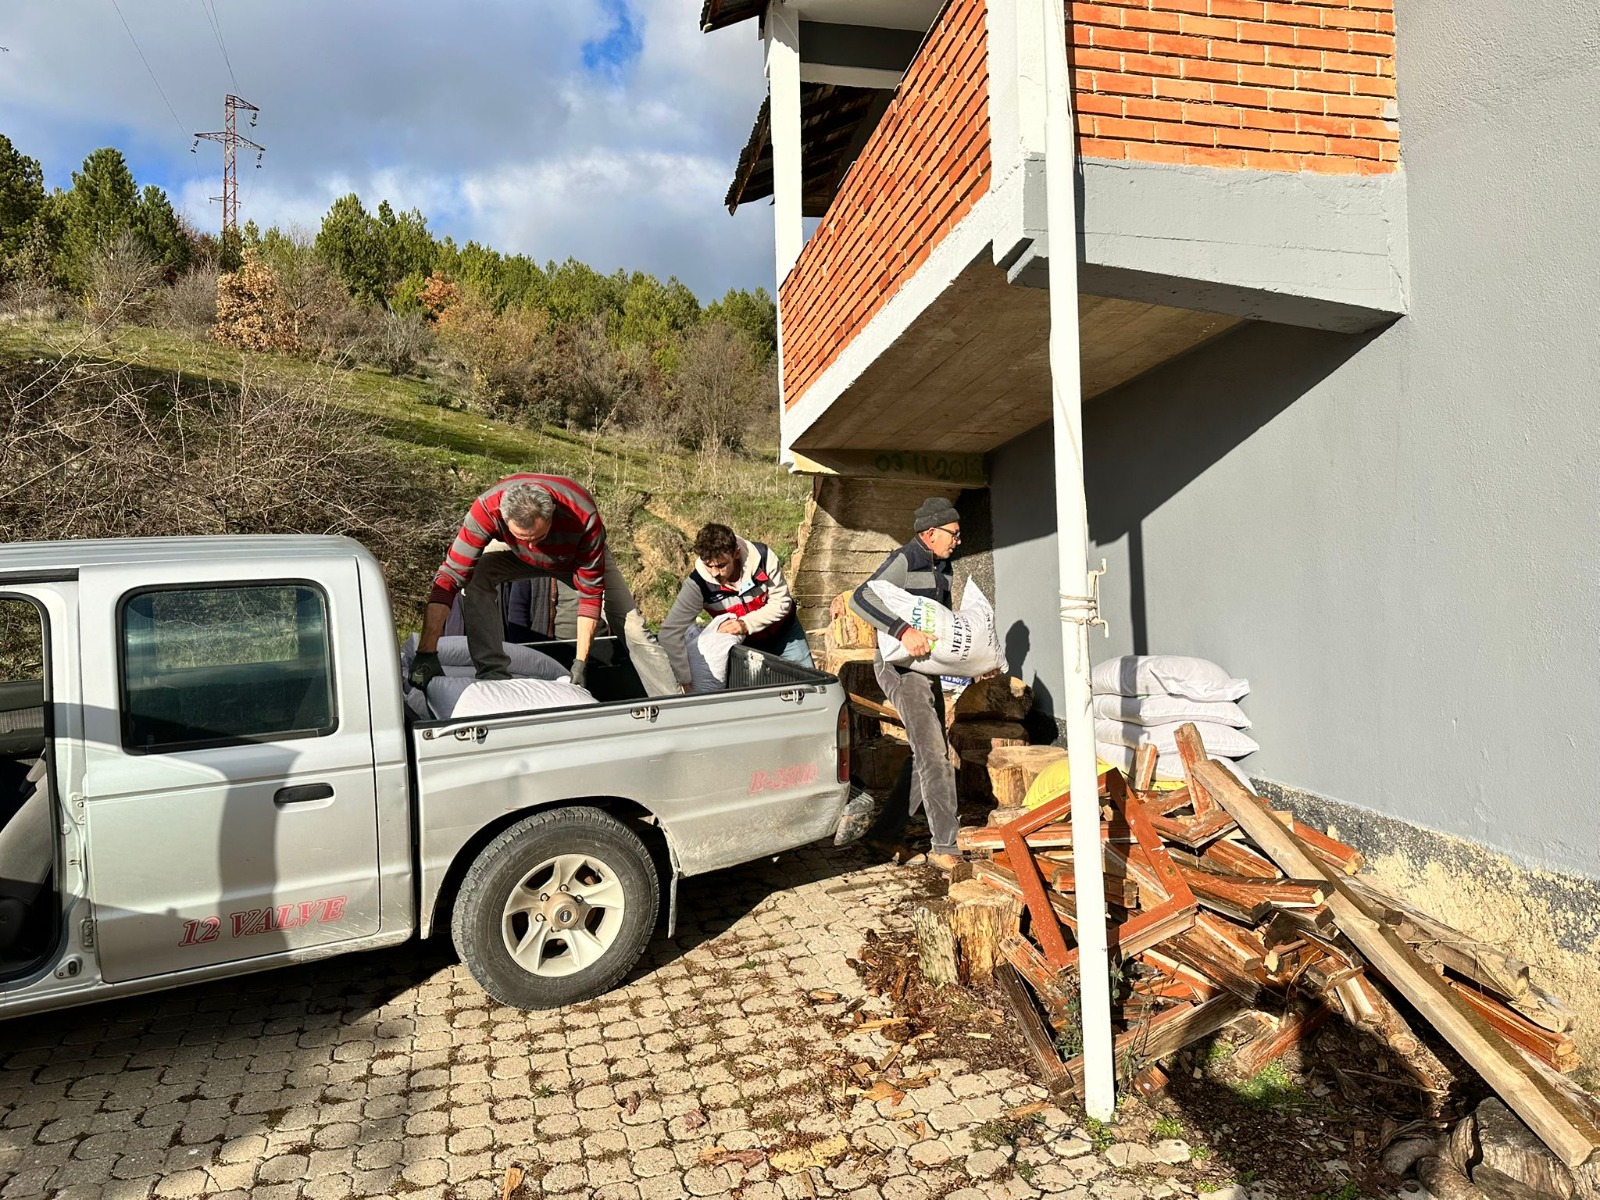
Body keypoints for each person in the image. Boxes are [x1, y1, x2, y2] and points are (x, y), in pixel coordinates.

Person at [408, 474, 663, 691]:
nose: (532, 545)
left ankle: (672, 702)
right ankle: (492, 673)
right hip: (514, 557)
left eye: (538, 536)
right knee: (475, 575)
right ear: (504, 519)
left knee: (634, 629)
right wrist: (426, 651)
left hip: (573, 559)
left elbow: (590, 595)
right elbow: (449, 578)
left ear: (551, 514)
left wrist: (580, 664)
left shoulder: (582, 514)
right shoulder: (486, 509)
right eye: (522, 537)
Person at [848, 497, 964, 870]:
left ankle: (885, 833)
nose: (958, 540)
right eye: (953, 534)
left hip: (925, 666)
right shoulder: (905, 559)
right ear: (930, 533)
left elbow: (942, 620)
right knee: (934, 755)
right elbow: (861, 597)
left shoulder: (943, 567)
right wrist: (902, 629)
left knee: (926, 752)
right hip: (899, 667)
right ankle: (947, 847)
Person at [658, 523, 814, 692]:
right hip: (747, 646)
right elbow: (670, 632)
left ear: (736, 553)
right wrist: (684, 680)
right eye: (708, 565)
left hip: (786, 634)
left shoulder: (763, 558)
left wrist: (745, 624)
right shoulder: (697, 584)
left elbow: (781, 602)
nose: (714, 573)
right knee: (761, 699)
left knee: (810, 687)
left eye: (721, 565)